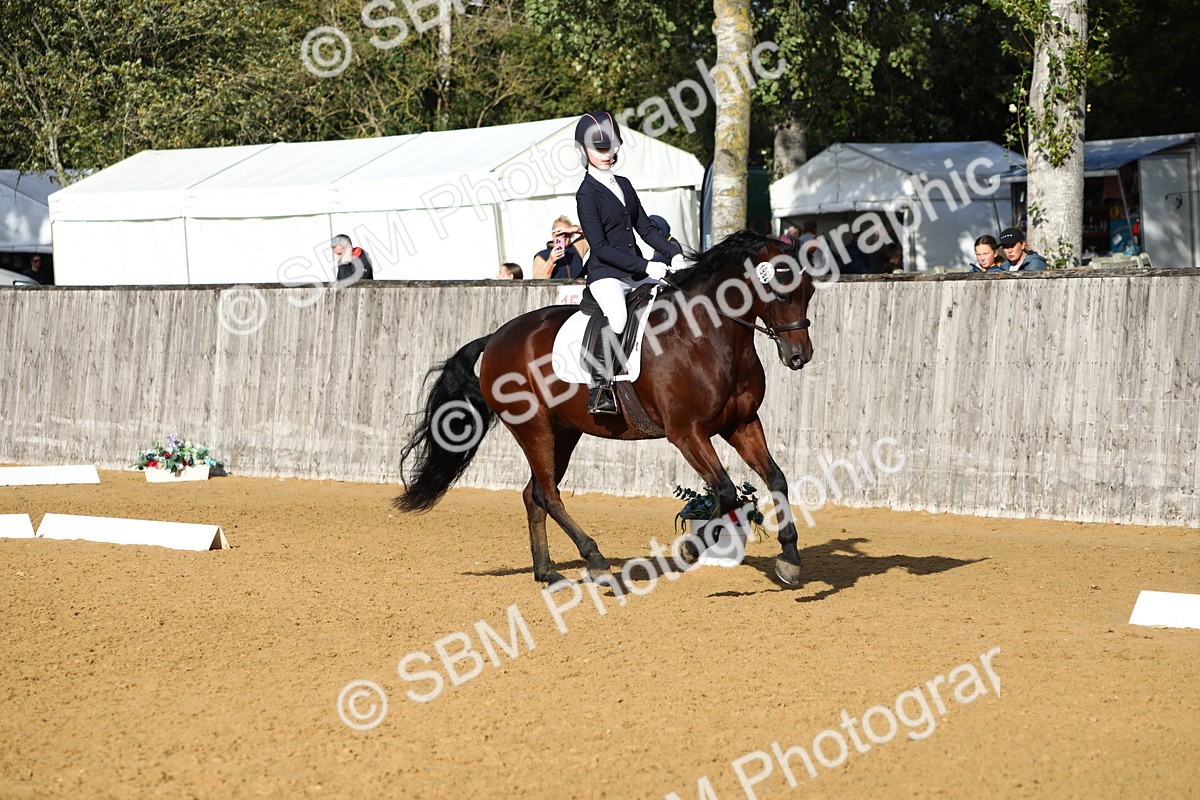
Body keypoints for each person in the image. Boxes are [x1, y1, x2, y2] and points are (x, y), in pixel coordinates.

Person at [574, 111, 684, 414]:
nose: (607, 154)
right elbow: (599, 247)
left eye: (611, 147)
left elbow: (645, 227)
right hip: (606, 274)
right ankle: (599, 388)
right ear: (584, 150)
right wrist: (646, 266)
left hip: (635, 269)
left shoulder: (623, 183)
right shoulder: (586, 194)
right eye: (599, 149)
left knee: (673, 297)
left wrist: (673, 251)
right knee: (619, 317)